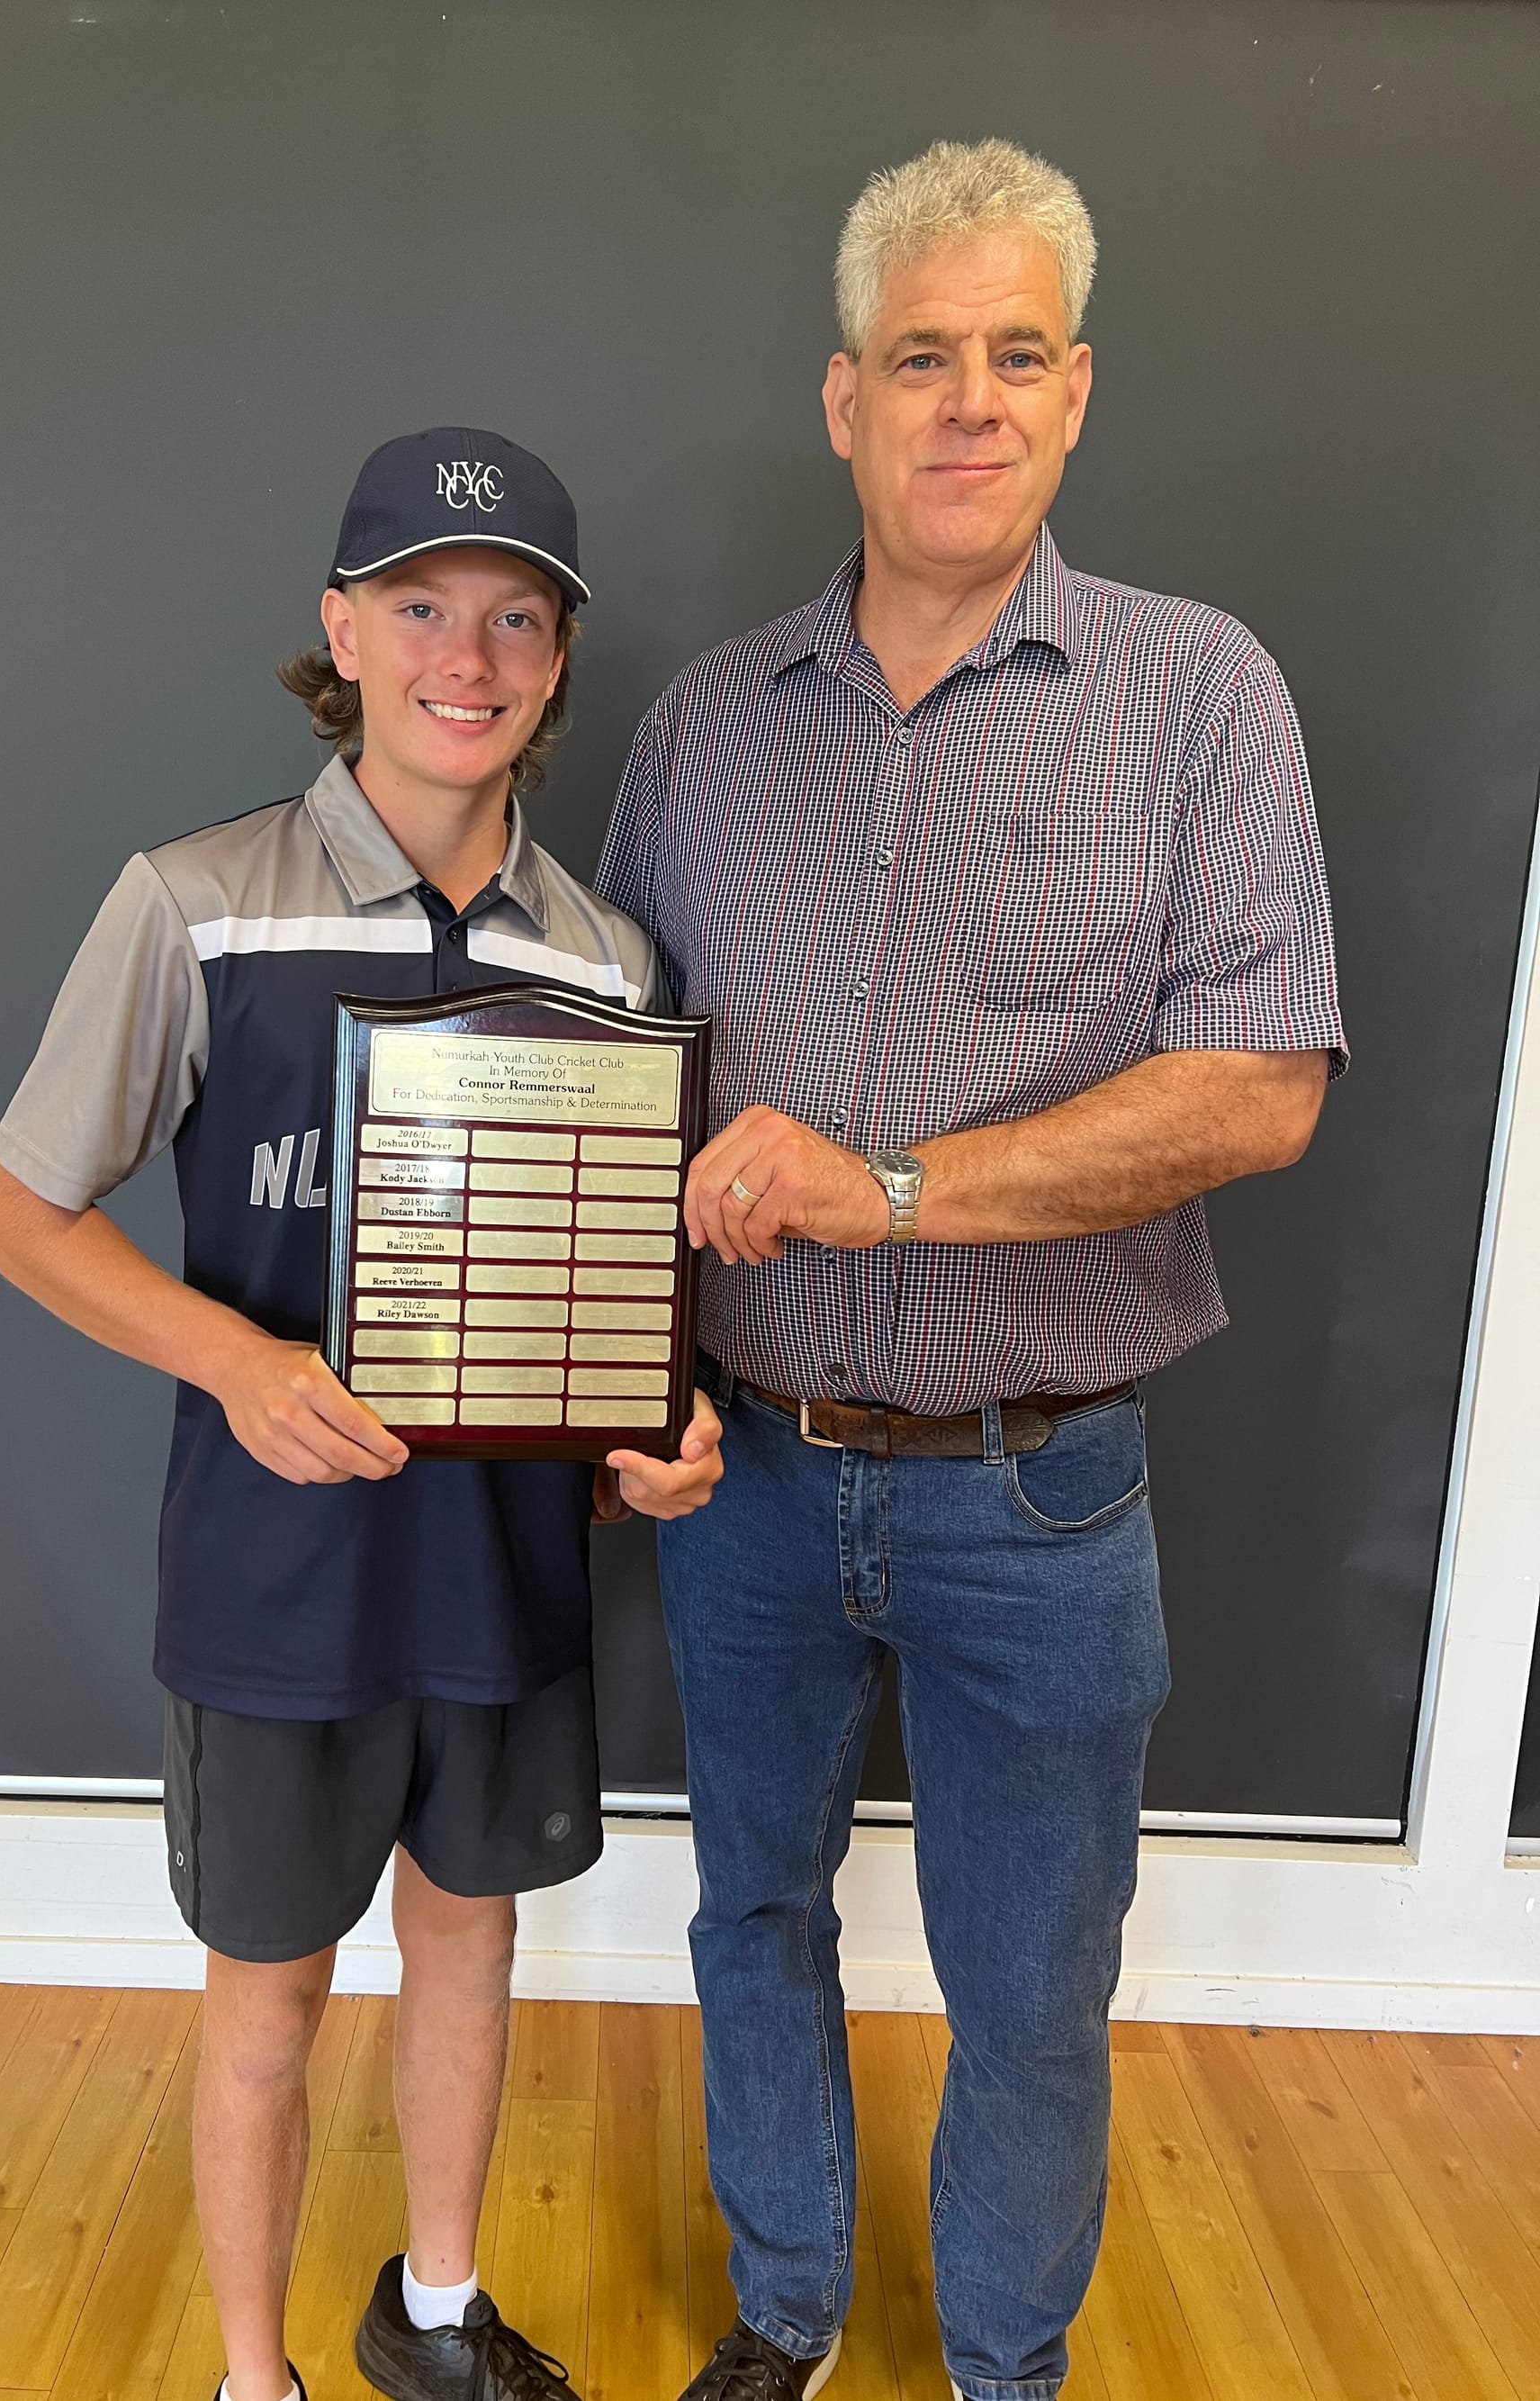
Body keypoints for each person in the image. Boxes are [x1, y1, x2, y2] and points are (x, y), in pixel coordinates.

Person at [598, 140, 1347, 2401]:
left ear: (1077, 391)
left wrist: (889, 1187)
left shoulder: (1199, 696)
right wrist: (631, 1378)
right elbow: (620, 1090)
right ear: (845, 400)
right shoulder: (700, 728)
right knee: (750, 1915)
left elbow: (1259, 1092)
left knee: (1029, 1981)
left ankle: (1005, 2364)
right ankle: (789, 2309)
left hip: (1043, 1480)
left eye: (1016, 354)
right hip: (746, 1478)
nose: (970, 400)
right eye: (921, 356)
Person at [0, 426, 723, 2401]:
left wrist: (656, 1441)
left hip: (500, 1578)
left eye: (516, 618)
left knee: (468, 1947)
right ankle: (256, 2375)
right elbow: (17, 1212)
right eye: (421, 606)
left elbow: (602, 1302)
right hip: (276, 1585)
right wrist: (237, 1360)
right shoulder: (196, 903)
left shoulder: (607, 958)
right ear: (344, 629)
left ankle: (438, 2318)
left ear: (558, 659)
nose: (466, 656)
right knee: (270, 1998)